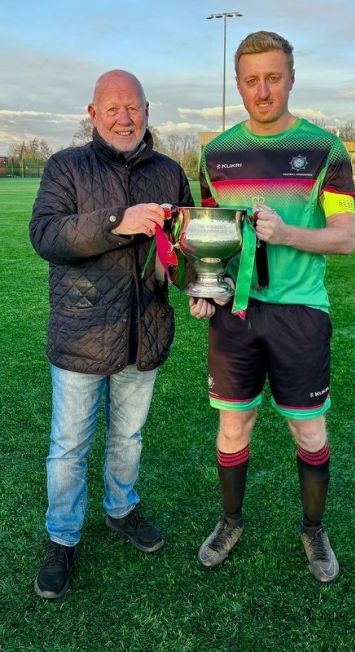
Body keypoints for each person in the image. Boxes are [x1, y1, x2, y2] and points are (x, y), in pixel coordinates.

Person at [190, 31, 355, 583]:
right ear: (238, 83)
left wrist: (284, 232)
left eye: (274, 77)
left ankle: (313, 529)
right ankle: (230, 520)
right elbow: (212, 238)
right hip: (235, 314)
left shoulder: (325, 149)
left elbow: (345, 238)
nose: (263, 91)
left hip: (300, 313)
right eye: (251, 80)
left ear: (291, 77)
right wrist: (207, 286)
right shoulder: (215, 154)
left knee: (309, 432)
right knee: (234, 426)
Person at [29, 69, 193, 599]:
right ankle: (62, 536)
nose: (125, 118)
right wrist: (116, 221)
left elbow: (186, 244)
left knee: (128, 438)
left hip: (144, 332)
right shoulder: (66, 166)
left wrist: (200, 283)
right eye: (113, 108)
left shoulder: (169, 172)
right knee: (69, 446)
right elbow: (47, 235)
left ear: (147, 110)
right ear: (93, 114)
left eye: (134, 107)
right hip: (82, 333)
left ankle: (121, 510)